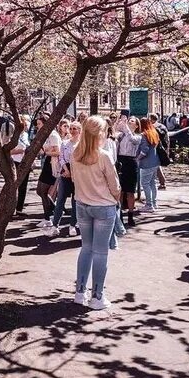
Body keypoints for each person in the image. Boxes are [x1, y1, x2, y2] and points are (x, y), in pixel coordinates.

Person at [70, 115, 122, 310]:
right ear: (100, 134)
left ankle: (80, 292)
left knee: (86, 248)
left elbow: (74, 179)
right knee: (100, 252)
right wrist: (115, 199)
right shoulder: (104, 156)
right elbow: (115, 186)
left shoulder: (75, 154)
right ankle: (97, 296)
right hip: (103, 207)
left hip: (82, 204)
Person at [44, 120, 80, 237]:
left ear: (80, 131)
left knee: (76, 201)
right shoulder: (65, 143)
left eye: (75, 128)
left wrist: (74, 172)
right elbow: (61, 158)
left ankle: (72, 225)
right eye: (71, 128)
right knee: (60, 199)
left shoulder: (81, 144)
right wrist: (67, 170)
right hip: (66, 171)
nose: (72, 130)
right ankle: (55, 226)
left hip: (78, 172)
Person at [116, 116, 140, 227]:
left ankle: (130, 215)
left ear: (136, 125)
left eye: (132, 121)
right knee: (120, 190)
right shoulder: (121, 135)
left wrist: (126, 128)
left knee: (130, 191)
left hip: (131, 161)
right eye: (128, 120)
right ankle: (119, 213)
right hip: (121, 161)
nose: (129, 122)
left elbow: (133, 140)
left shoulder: (138, 136)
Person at [34, 114, 59, 222]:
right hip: (46, 163)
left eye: (39, 124)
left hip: (52, 164)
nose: (38, 126)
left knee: (43, 191)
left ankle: (48, 217)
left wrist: (46, 153)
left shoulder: (53, 135)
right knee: (39, 190)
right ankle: (53, 209)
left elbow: (58, 152)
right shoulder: (46, 136)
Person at [136, 118, 161, 212]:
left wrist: (137, 158)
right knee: (152, 183)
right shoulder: (153, 133)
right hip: (155, 161)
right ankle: (154, 203)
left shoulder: (144, 135)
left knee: (145, 183)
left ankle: (149, 205)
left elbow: (144, 150)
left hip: (146, 163)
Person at [11, 114, 31, 214]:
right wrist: (20, 151)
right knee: (14, 185)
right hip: (16, 161)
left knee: (23, 186)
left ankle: (19, 208)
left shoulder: (27, 136)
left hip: (25, 162)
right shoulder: (14, 136)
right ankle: (11, 208)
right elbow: (9, 151)